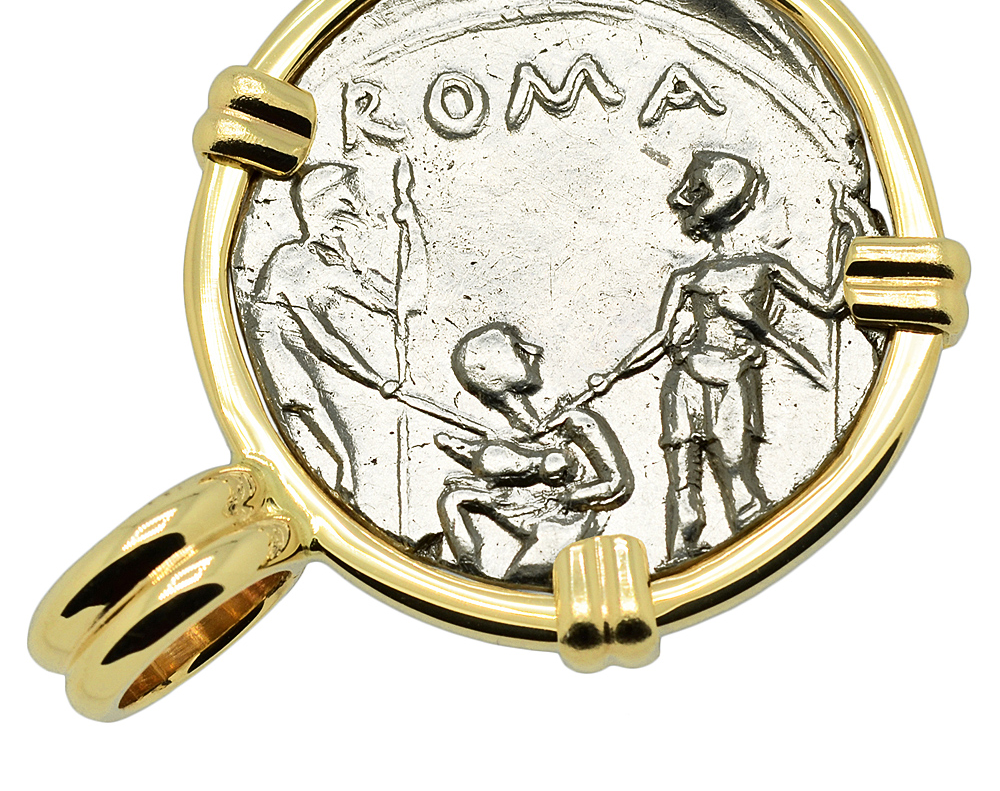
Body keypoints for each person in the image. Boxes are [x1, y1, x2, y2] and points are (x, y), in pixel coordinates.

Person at [586, 151, 857, 561]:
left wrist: (851, 233)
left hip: (732, 379)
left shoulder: (765, 266)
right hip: (685, 380)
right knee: (682, 483)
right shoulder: (688, 276)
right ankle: (681, 557)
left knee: (736, 477)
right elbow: (660, 338)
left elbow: (830, 303)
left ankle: (753, 560)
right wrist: (613, 374)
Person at [434, 323, 634, 583]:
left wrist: (567, 498)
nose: (535, 351)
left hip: (564, 519)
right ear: (494, 374)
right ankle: (471, 575)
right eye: (518, 349)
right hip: (525, 507)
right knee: (453, 498)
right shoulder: (507, 436)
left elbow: (619, 485)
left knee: (523, 578)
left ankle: (488, 588)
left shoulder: (575, 421)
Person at [244, 163, 396, 498]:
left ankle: (342, 485)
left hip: (302, 360)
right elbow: (323, 341)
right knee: (313, 416)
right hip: (276, 357)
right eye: (350, 205)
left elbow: (377, 298)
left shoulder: (334, 260)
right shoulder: (291, 260)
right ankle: (342, 486)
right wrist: (375, 378)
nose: (360, 215)